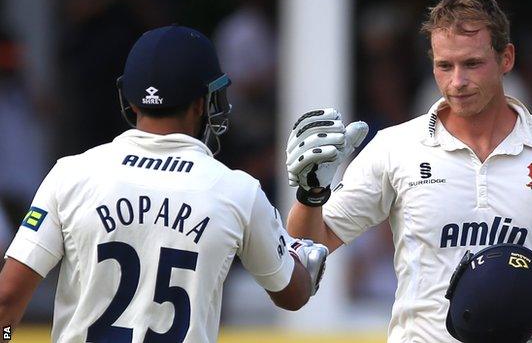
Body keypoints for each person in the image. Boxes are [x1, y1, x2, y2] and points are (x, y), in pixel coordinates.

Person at [285, 0, 532, 342]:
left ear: (506, 58)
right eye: (444, 66)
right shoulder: (395, 146)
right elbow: (310, 241)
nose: (457, 82)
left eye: (472, 64)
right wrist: (311, 193)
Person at [0, 25, 327, 343]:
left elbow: (7, 302)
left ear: (131, 100)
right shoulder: (237, 192)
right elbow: (292, 294)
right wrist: (305, 230)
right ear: (202, 103)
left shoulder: (71, 174)